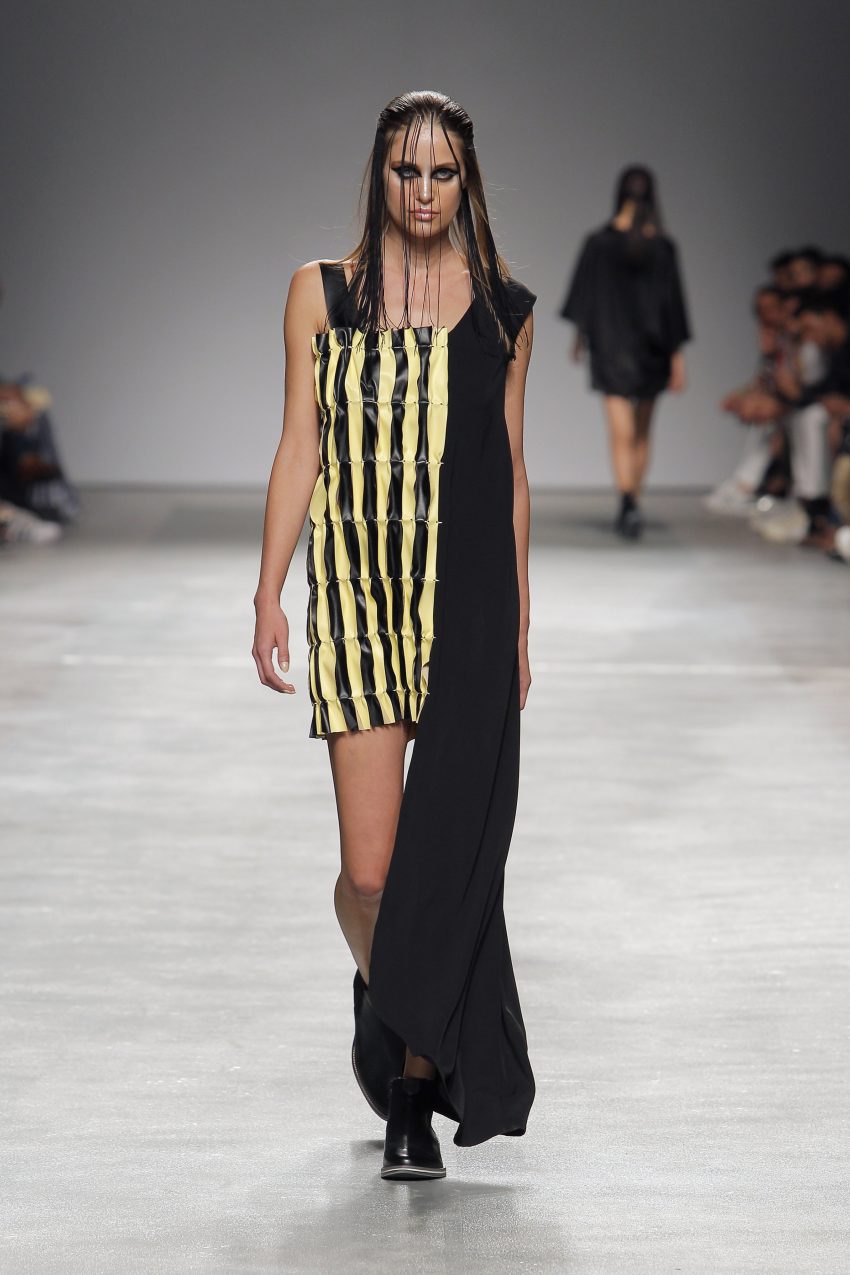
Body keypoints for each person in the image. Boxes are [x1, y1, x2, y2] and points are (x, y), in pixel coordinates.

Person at [252, 91, 537, 1182]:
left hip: (467, 606)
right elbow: (299, 446)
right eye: (405, 171)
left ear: (468, 181)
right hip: (359, 599)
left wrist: (521, 620)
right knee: (373, 878)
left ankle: (412, 1097)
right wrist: (269, 592)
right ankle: (390, 989)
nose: (423, 192)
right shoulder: (320, 293)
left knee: (445, 871)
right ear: (378, 174)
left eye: (442, 173)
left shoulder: (503, 310)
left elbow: (511, 471)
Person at [559, 165, 691, 538]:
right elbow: (673, 307)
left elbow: (584, 297)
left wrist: (579, 340)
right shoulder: (662, 247)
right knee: (642, 431)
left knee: (621, 431)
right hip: (653, 347)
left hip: (611, 345)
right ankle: (633, 500)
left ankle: (628, 501)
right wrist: (677, 358)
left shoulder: (599, 243)